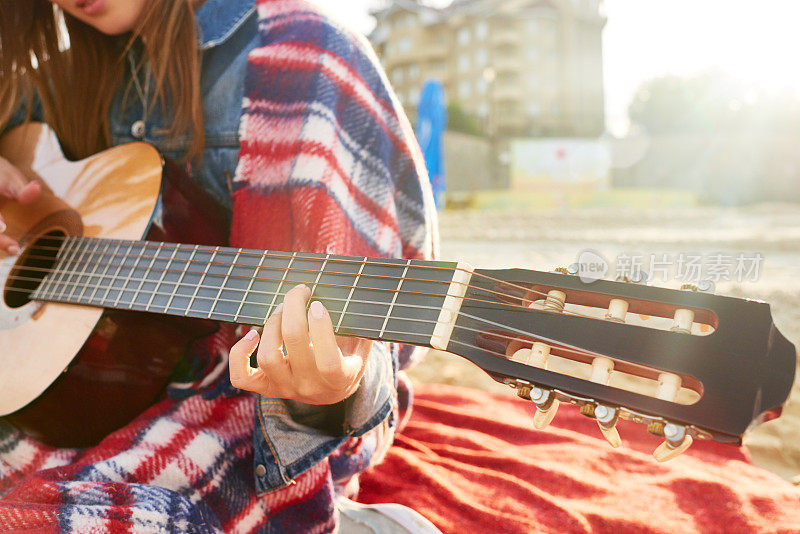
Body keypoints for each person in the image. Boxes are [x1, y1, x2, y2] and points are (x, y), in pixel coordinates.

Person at [0, 0, 438, 531]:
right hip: (94, 389)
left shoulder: (300, 54)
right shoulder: (49, 79)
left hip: (252, 397)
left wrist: (336, 386)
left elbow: (360, 336)